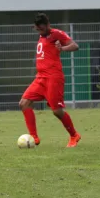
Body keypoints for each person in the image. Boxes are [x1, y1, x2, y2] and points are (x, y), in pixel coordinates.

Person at [19, 13, 81, 148]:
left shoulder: (57, 34)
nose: (39, 31)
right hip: (40, 77)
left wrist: (63, 48)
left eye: (41, 29)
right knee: (24, 103)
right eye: (37, 29)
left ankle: (74, 135)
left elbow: (75, 46)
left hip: (53, 77)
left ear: (47, 25)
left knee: (57, 111)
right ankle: (34, 138)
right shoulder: (42, 35)